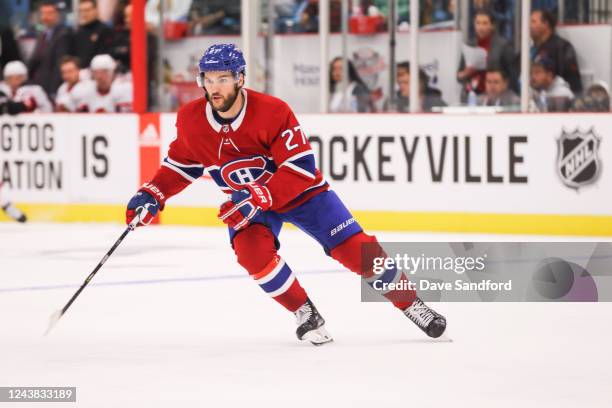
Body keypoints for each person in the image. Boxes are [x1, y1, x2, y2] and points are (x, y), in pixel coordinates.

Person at [125, 43, 447, 345]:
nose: (214, 87)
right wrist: (152, 193)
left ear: (240, 78)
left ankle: (411, 303)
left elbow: (301, 167)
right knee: (252, 254)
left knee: (357, 251)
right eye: (208, 79)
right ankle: (304, 311)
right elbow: (181, 164)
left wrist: (261, 194)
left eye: (223, 78)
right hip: (249, 205)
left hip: (300, 194)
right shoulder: (191, 118)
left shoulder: (272, 111)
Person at [457, 9, 516, 102]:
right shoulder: (469, 45)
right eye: (478, 23)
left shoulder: (503, 45)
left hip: (496, 97)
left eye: (485, 23)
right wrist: (466, 72)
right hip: (472, 95)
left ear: (492, 25)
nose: (481, 27)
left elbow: (512, 74)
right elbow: (459, 76)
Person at [530, 8, 582, 95]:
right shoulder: (532, 50)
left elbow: (571, 79)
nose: (529, 25)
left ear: (545, 24)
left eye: (533, 21)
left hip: (559, 98)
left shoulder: (562, 47)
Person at [27, 0, 73, 98]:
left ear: (57, 15)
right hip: (38, 86)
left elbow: (59, 65)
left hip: (51, 88)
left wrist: (53, 91)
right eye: (43, 13)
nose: (45, 17)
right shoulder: (42, 34)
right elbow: (34, 61)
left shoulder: (64, 34)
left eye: (49, 13)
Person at [67, 54, 132, 112]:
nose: (100, 76)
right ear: (92, 73)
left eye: (104, 71)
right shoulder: (83, 89)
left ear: (112, 72)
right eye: (96, 72)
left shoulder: (124, 88)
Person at [73, 0, 114, 68]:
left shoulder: (104, 30)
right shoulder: (79, 32)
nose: (84, 14)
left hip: (99, 71)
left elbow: (106, 54)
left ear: (96, 10)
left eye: (87, 10)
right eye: (81, 11)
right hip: (81, 72)